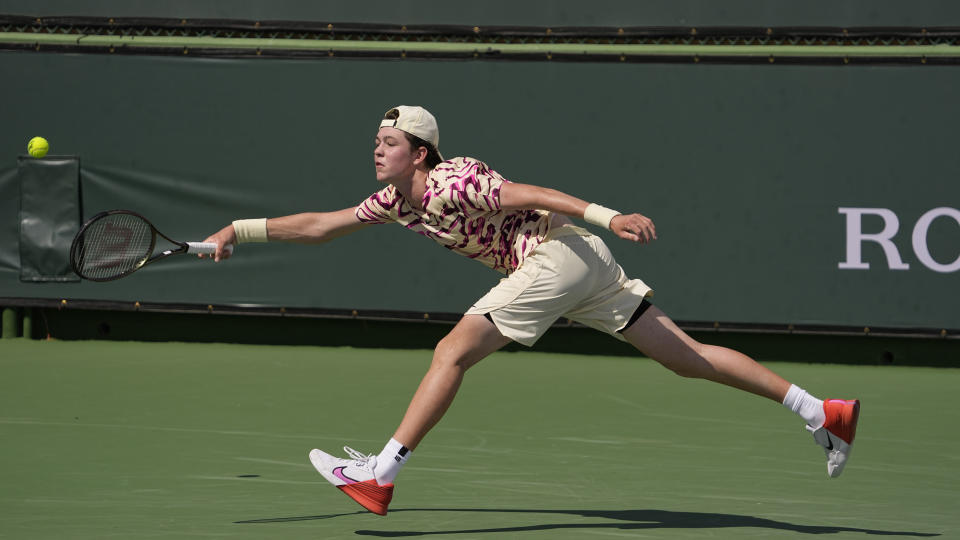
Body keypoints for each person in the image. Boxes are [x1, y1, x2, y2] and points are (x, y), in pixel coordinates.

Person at [202, 105, 860, 516]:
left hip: (558, 256)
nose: (378, 149)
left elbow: (533, 191)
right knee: (685, 360)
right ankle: (820, 410)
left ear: (421, 151)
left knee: (452, 352)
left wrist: (610, 214)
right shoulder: (397, 200)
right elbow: (321, 224)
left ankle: (380, 474)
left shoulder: (458, 177)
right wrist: (242, 228)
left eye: (390, 141)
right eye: (376, 140)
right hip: (581, 265)